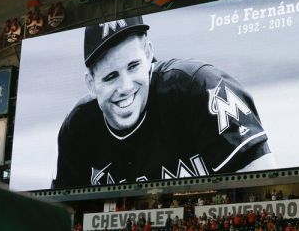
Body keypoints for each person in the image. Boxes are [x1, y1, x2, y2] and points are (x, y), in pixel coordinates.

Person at [53, 15, 275, 187]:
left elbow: (265, 185)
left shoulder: (199, 88)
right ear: (91, 84)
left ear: (149, 54)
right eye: (111, 76)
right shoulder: (78, 130)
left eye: (133, 66)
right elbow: (63, 214)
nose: (126, 86)